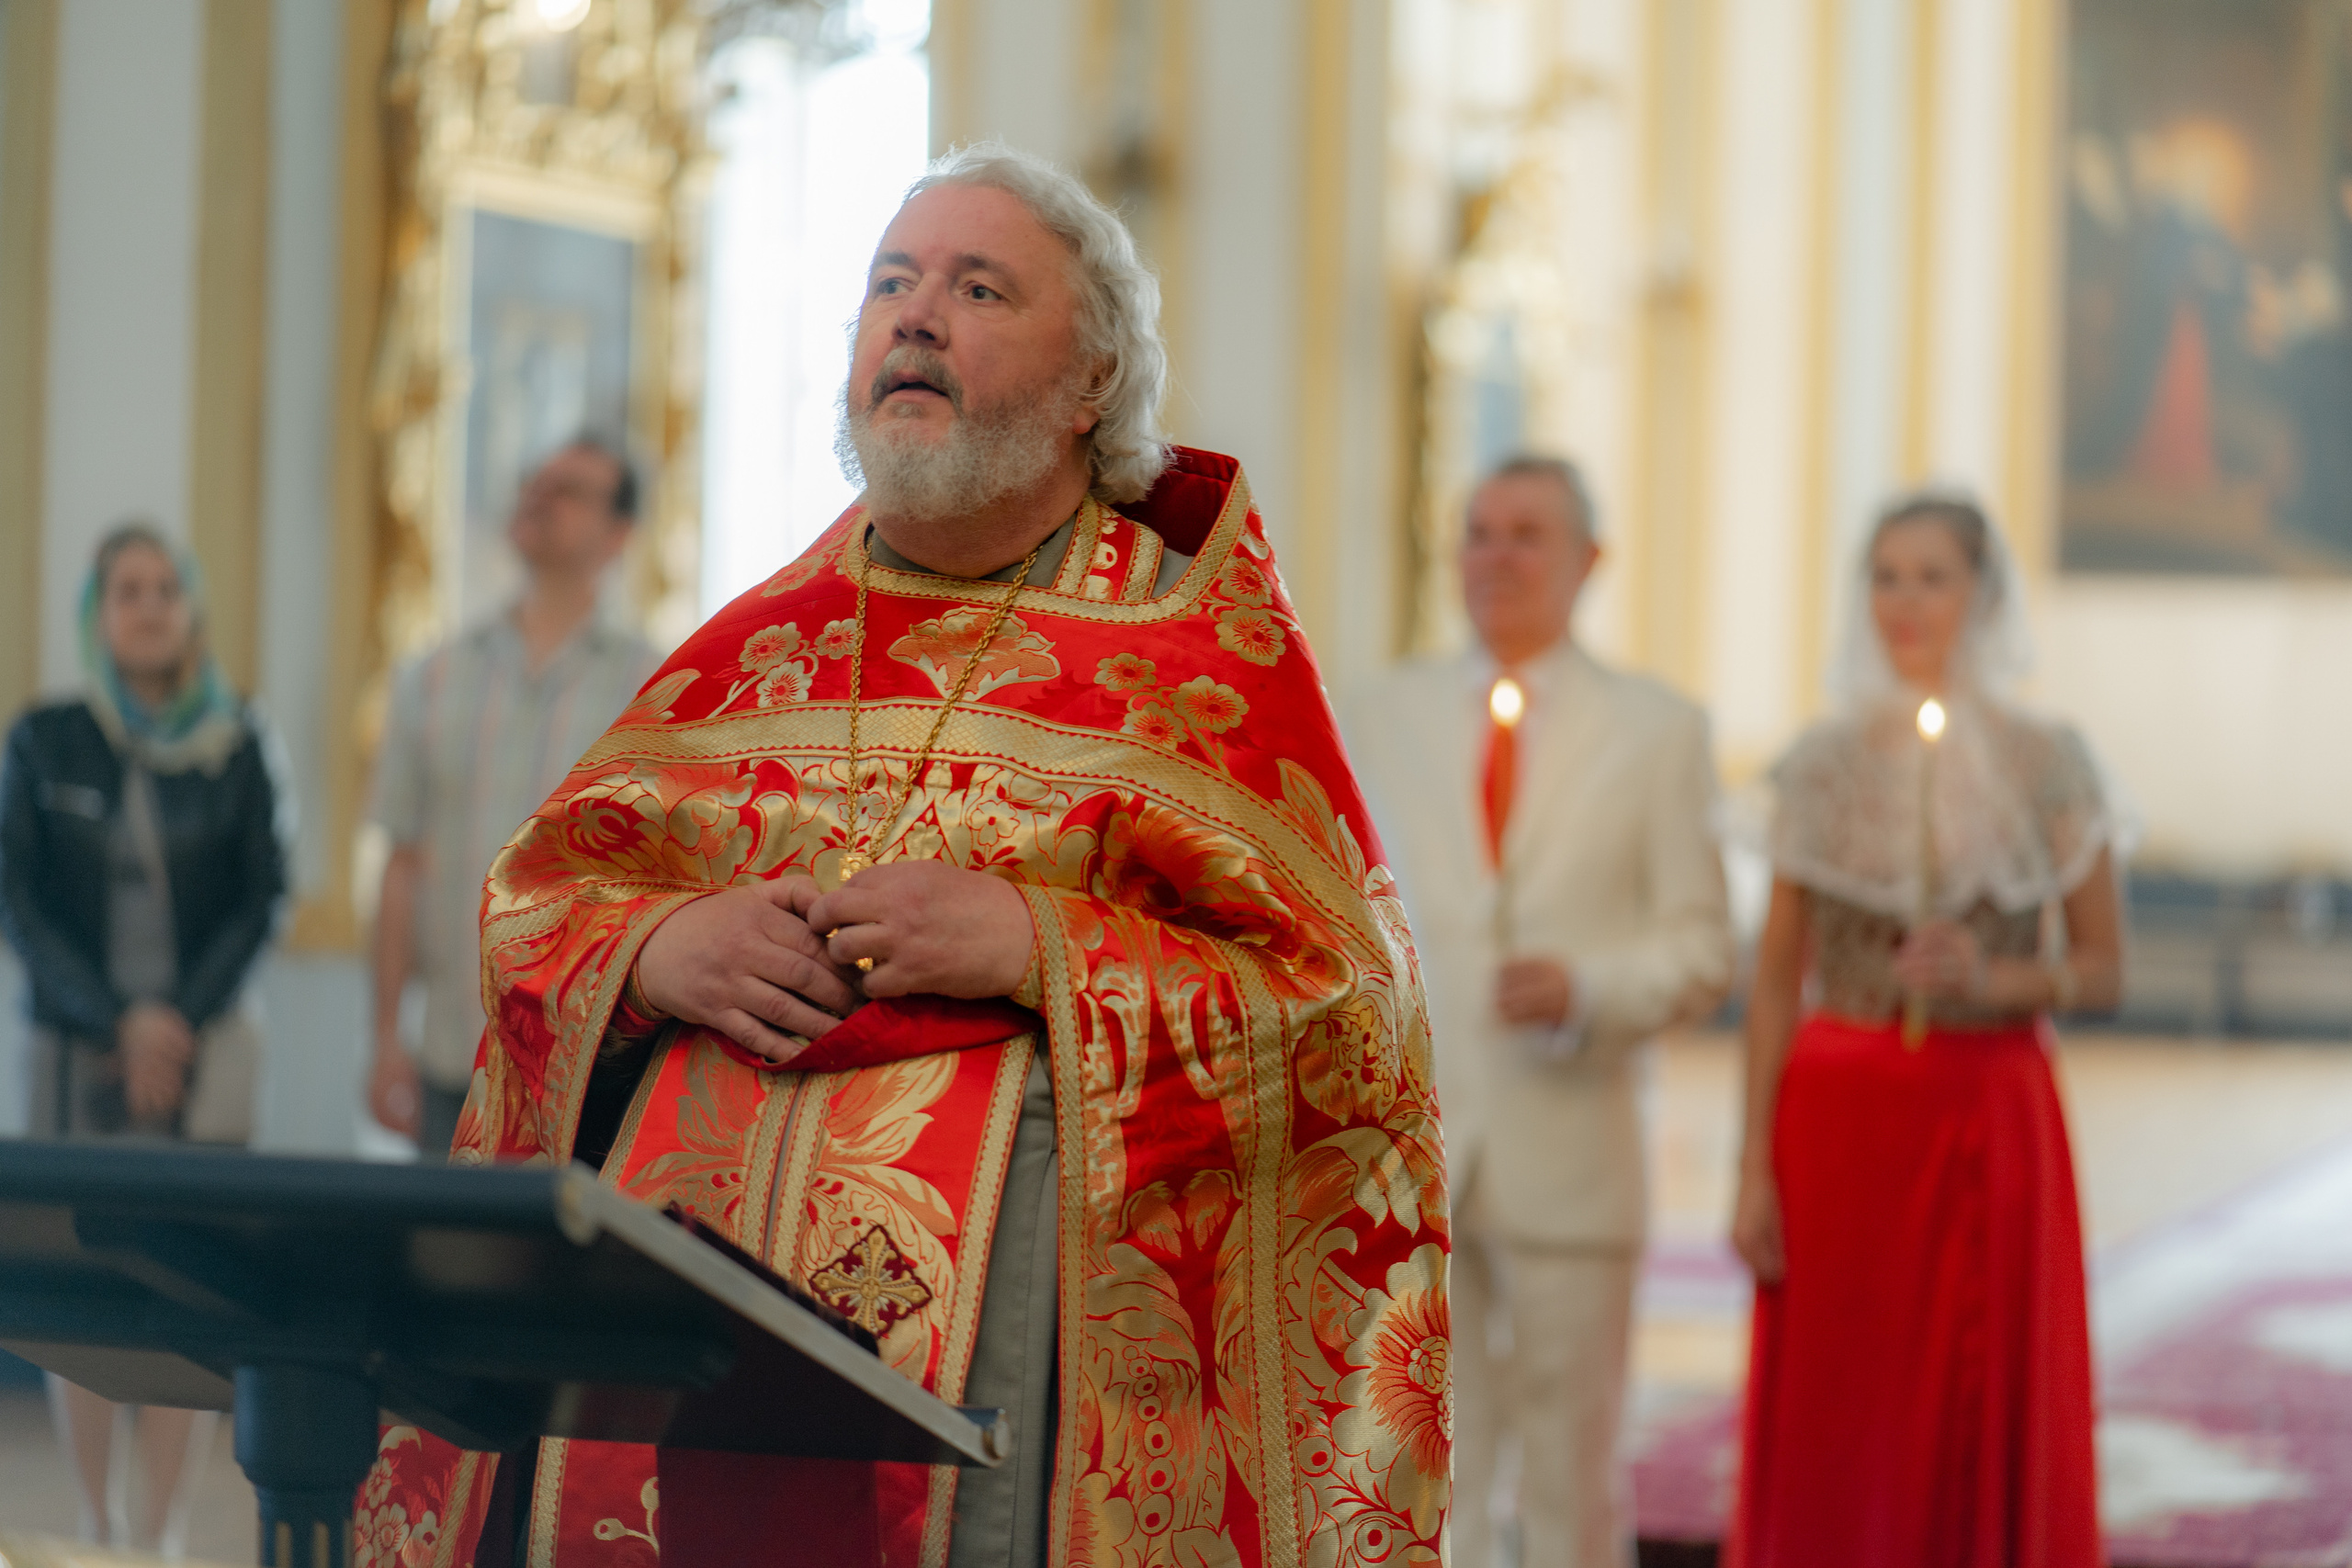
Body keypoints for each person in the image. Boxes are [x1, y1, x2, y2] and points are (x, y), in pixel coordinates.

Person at [359, 143, 1445, 1567]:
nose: (915, 315)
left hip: (1014, 1393)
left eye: (978, 287)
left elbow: (1350, 1020)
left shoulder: (1198, 664)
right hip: (675, 1364)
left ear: (1092, 385)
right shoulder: (755, 647)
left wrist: (1040, 945)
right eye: (891, 283)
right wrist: (656, 949)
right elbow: (538, 901)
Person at [1346, 457, 1734, 1568]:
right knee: (1421, 1463)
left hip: (1571, 1150)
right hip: (1413, 1155)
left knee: (1570, 1472)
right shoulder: (1377, 714)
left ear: (1587, 562)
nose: (1496, 557)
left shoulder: (1657, 732)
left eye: (1525, 534)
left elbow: (1703, 946)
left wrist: (1590, 988)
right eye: (1478, 532)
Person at [1725, 494, 2124, 1568]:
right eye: (1885, 575)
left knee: (1973, 1388)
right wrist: (1752, 1168)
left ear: (1982, 596)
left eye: (1931, 576)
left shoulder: (2048, 765)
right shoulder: (1819, 764)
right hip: (1839, 1117)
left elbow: (2102, 969)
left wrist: (1995, 975)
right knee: (1841, 1403)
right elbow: (1773, 983)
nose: (1904, 602)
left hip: (1987, 1109)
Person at [0, 522, 286, 1551]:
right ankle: (94, 1521)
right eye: (129, 589)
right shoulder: (44, 741)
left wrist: (171, 1024)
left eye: (168, 587)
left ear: (191, 608)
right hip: (76, 1054)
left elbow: (263, 899)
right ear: (99, 612)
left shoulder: (241, 744)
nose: (151, 605)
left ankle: (160, 1535)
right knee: (81, 1288)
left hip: (203, 1053)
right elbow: (21, 902)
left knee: (190, 1289)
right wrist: (117, 1023)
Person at [365, 436, 660, 1158]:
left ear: (617, 534)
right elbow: (402, 866)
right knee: (440, 1267)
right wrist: (382, 1038)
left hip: (588, 1063)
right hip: (450, 1055)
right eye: (537, 480)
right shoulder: (430, 677)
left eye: (572, 489)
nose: (541, 495)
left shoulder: (653, 692)